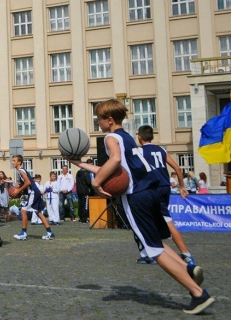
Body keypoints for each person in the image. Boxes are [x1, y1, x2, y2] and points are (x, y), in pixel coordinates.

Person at [67, 100, 214, 315]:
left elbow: (115, 161)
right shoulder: (126, 137)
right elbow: (114, 167)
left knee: (151, 249)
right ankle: (188, 269)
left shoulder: (109, 137)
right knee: (156, 240)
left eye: (99, 119)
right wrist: (80, 163)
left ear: (109, 120)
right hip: (150, 191)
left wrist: (97, 182)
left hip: (135, 196)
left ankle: (198, 294)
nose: (97, 122)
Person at [136, 125, 197, 266]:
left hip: (152, 188)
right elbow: (177, 168)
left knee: (151, 220)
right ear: (152, 136)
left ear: (139, 137)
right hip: (165, 187)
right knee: (160, 219)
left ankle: (185, 254)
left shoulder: (139, 151)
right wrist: (182, 187)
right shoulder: (161, 150)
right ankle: (151, 252)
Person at [12, 155, 55, 241]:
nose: (12, 162)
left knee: (23, 211)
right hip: (36, 192)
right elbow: (27, 182)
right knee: (38, 213)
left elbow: (28, 182)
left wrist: (18, 190)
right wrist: (19, 187)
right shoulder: (21, 171)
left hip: (33, 192)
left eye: (14, 160)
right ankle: (50, 233)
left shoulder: (21, 170)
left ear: (19, 162)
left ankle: (23, 233)